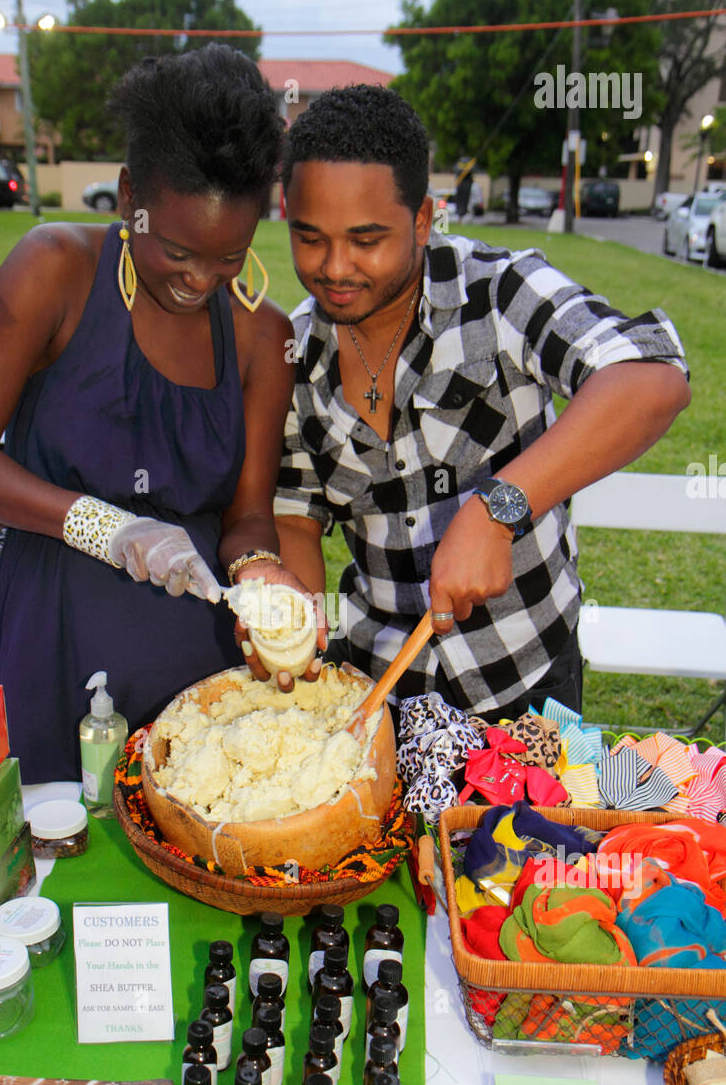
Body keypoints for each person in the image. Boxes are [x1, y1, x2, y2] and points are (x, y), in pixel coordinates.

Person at [0, 45, 318, 782]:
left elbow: (248, 517)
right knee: (64, 846)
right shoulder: (54, 270)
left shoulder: (266, 337)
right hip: (57, 641)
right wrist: (107, 526)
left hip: (197, 665)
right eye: (176, 251)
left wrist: (262, 572)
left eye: (229, 257)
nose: (200, 281)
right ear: (129, 189)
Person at [267, 85, 690, 722]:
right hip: (382, 691)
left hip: (524, 680)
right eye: (310, 238)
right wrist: (296, 637)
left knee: (525, 828)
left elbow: (652, 376)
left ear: (422, 219)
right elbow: (297, 514)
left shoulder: (500, 292)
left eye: (366, 239)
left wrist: (498, 508)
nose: (335, 267)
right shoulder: (295, 352)